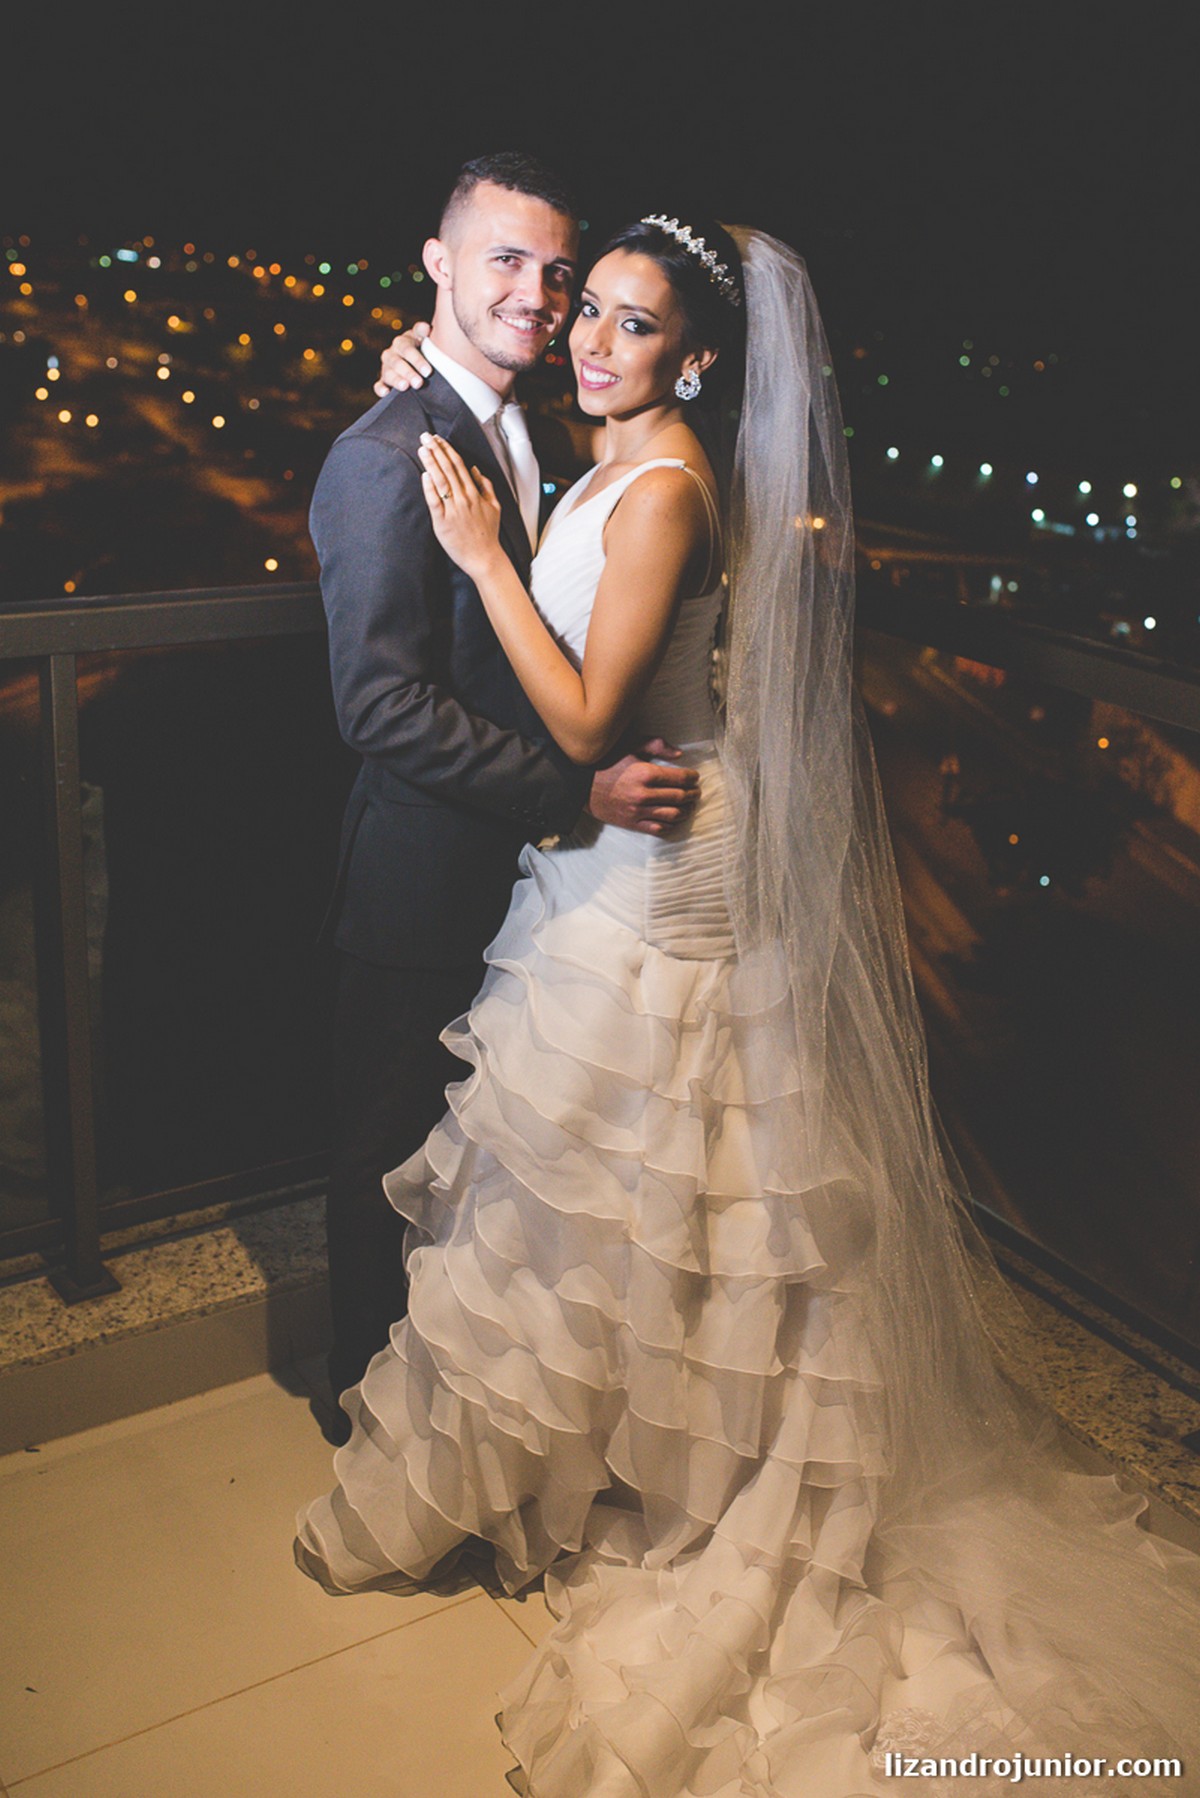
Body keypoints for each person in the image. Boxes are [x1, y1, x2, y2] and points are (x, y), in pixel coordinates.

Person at [299, 218, 1200, 1794]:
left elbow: (584, 711)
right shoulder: (595, 454)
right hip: (617, 847)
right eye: (590, 311)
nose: (590, 340)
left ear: (696, 360)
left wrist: (486, 562)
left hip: (660, 860)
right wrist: (440, 400)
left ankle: (685, 1480)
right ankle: (605, 1455)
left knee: (676, 1176)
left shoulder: (668, 489)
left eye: (633, 328)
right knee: (625, 1184)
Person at [311, 154, 700, 1411]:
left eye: (556, 272)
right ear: (437, 263)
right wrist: (567, 794)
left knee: (490, 1161)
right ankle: (360, 1404)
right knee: (386, 1148)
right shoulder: (385, 452)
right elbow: (380, 705)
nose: (538, 295)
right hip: (428, 872)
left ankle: (461, 1397)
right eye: (504, 260)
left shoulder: (539, 430)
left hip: (537, 889)